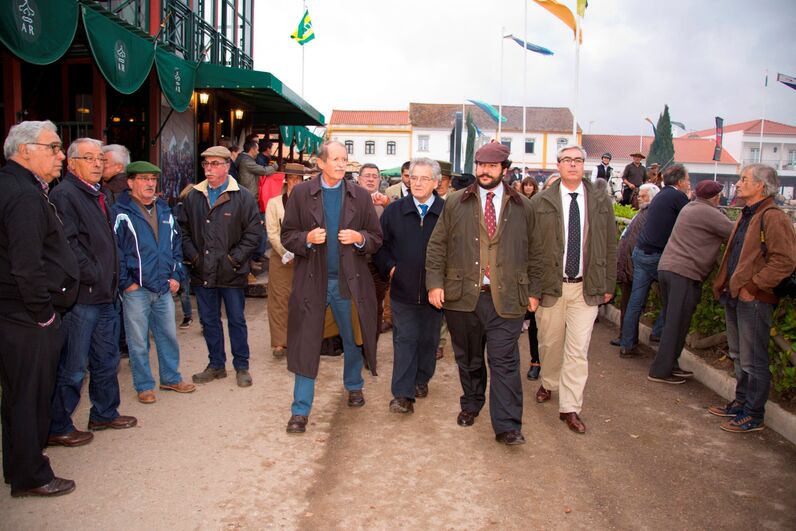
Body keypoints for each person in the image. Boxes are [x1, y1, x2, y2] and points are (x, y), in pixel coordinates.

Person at [426, 143, 532, 446]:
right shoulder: (456, 201)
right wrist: (435, 282)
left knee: (505, 361)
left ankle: (508, 425)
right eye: (480, 164)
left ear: (504, 169)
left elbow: (536, 251)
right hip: (463, 296)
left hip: (507, 296)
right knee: (470, 359)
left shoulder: (523, 205)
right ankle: (471, 403)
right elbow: (437, 246)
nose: (484, 170)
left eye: (492, 165)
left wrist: (534, 290)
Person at [0, 120, 80, 497]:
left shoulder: (18, 186)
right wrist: (44, 313)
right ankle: (31, 475)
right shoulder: (24, 195)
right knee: (29, 398)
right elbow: (26, 264)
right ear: (25, 149)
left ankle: (19, 468)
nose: (60, 155)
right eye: (53, 147)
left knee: (19, 396)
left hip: (17, 312)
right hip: (26, 317)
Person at [281, 140, 382, 434]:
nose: (340, 164)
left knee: (353, 339)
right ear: (321, 163)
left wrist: (360, 238)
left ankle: (353, 385)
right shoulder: (301, 193)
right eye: (335, 159)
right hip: (313, 282)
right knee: (306, 343)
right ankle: (300, 411)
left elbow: (376, 238)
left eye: (344, 159)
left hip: (349, 284)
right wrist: (307, 239)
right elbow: (288, 236)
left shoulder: (360, 196)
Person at [48, 138, 137, 449]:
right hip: (82, 297)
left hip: (105, 294)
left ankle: (104, 412)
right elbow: (68, 247)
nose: (98, 164)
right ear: (72, 163)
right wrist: (95, 275)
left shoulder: (99, 194)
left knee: (106, 359)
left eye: (101, 158)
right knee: (73, 366)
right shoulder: (65, 195)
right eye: (89, 158)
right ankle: (57, 425)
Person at [529, 145, 616, 435]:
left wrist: (608, 284)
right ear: (558, 165)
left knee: (578, 349)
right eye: (568, 160)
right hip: (552, 287)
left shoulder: (600, 201)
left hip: (586, 288)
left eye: (578, 160)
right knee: (550, 344)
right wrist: (533, 288)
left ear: (584, 165)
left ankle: (570, 407)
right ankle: (549, 382)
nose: (573, 165)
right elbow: (530, 249)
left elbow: (611, 244)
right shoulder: (541, 202)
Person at [708, 164, 796, 433]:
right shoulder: (749, 213)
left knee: (753, 359)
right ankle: (742, 402)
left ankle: (753, 414)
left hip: (754, 299)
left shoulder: (773, 217)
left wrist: (753, 287)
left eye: (744, 179)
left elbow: (785, 261)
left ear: (760, 185)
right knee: (738, 354)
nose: (737, 183)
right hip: (735, 296)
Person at [112, 161, 196, 403]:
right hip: (135, 289)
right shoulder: (120, 212)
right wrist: (127, 282)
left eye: (153, 179)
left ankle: (170, 378)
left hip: (163, 287)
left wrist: (176, 276)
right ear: (130, 183)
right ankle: (144, 385)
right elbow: (115, 251)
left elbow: (175, 246)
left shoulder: (164, 210)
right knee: (138, 341)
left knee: (168, 335)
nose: (150, 184)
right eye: (143, 179)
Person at [178, 146, 261, 388]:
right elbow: (182, 231)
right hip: (202, 270)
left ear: (227, 166)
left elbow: (253, 233)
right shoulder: (193, 196)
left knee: (236, 320)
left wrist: (233, 260)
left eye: (215, 164)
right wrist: (194, 258)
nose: (209, 169)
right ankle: (216, 365)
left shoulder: (243, 196)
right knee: (209, 321)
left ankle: (241, 366)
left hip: (231, 271)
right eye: (206, 164)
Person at [375, 158, 444, 414]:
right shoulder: (394, 211)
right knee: (404, 339)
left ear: (436, 182)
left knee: (428, 340)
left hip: (435, 293)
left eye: (424, 178)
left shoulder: (446, 212)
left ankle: (422, 378)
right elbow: (380, 247)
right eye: (413, 177)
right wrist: (392, 269)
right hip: (403, 290)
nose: (417, 183)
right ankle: (402, 395)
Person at [648, 181, 733, 384]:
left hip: (670, 268)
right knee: (676, 323)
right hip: (684, 272)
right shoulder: (708, 212)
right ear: (716, 197)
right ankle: (660, 370)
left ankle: (670, 364)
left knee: (676, 320)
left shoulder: (690, 206)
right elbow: (735, 232)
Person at [619, 164, 691, 358]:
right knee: (674, 296)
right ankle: (658, 333)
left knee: (635, 301)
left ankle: (626, 344)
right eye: (688, 180)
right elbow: (690, 221)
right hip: (658, 256)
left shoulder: (660, 196)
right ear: (680, 181)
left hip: (641, 253)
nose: (689, 183)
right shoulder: (678, 197)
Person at [611, 183, 660, 347]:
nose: (639, 199)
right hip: (630, 267)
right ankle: (626, 340)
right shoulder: (645, 213)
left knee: (631, 305)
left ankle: (627, 340)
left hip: (633, 267)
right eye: (639, 196)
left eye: (643, 196)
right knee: (630, 305)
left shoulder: (648, 214)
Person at [264, 163, 305, 358]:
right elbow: (272, 233)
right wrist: (285, 253)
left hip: (304, 256)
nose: (295, 182)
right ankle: (280, 342)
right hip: (280, 257)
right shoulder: (274, 203)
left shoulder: (308, 201)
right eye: (292, 178)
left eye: (299, 179)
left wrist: (301, 251)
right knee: (279, 299)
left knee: (300, 300)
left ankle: (297, 340)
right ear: (286, 179)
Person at [357, 163, 391, 341]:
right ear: (358, 179)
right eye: (367, 175)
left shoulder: (386, 204)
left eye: (374, 176)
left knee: (375, 307)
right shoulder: (348, 201)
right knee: (354, 308)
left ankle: (370, 349)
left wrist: (386, 205)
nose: (371, 179)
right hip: (354, 264)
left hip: (377, 266)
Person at [520, 176, 542, 380]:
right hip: (535, 274)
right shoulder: (528, 210)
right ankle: (536, 361)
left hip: (560, 278)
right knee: (535, 322)